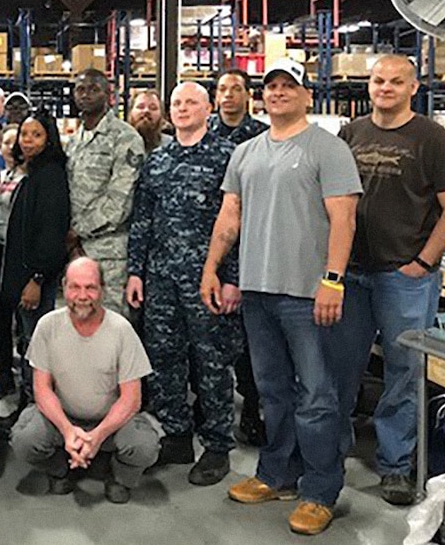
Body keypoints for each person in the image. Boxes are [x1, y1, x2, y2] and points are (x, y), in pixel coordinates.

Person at [201, 59, 362, 535]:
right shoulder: (246, 152)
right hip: (258, 291)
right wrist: (212, 267)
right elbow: (230, 217)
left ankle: (320, 489)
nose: (277, 93)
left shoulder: (327, 149)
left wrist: (332, 279)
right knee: (272, 391)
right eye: (270, 87)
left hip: (307, 294)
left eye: (287, 86)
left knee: (316, 395)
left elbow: (344, 220)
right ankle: (278, 473)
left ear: (307, 95)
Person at [334, 54, 445, 506]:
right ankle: (329, 454)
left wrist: (425, 262)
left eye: (396, 81)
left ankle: (395, 465)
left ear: (413, 87)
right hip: (352, 274)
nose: (385, 88)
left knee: (403, 372)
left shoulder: (432, 139)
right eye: (378, 80)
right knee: (340, 368)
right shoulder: (351, 133)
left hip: (404, 276)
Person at [125, 82, 241, 486]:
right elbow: (143, 219)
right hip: (161, 278)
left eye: (191, 101)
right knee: (164, 357)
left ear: (208, 108)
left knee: (212, 361)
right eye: (176, 103)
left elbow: (239, 224)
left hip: (207, 279)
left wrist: (233, 280)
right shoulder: (157, 160)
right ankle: (175, 433)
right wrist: (135, 272)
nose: (183, 108)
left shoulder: (227, 157)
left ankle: (217, 444)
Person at [10, 258, 160, 504]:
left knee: (145, 446)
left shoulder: (122, 330)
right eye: (75, 287)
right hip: (63, 419)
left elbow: (132, 399)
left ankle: (120, 477)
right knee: (25, 441)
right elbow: (41, 389)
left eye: (90, 287)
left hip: (111, 422)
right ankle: (61, 470)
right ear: (64, 287)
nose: (82, 295)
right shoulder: (47, 326)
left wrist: (98, 436)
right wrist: (68, 430)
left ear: (102, 289)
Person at [206, 68, 269, 448]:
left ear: (248, 95)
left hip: (252, 252)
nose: (229, 95)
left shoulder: (262, 136)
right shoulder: (204, 132)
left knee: (251, 346)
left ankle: (252, 410)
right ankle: (209, 411)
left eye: (236, 89)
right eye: (222, 90)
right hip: (207, 250)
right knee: (211, 342)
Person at [0, 110, 70, 404]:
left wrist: (37, 278)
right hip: (9, 266)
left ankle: (36, 405)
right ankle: (26, 399)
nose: (28, 141)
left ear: (49, 138)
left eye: (36, 135)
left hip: (33, 274)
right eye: (25, 134)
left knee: (35, 343)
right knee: (22, 340)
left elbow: (50, 231)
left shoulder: (50, 174)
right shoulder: (21, 169)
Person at [66, 69, 145, 315]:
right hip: (76, 251)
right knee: (80, 325)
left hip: (110, 252)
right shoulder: (75, 140)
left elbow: (120, 201)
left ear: (109, 95)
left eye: (93, 89)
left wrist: (77, 232)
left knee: (112, 327)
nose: (86, 95)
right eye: (80, 89)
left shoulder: (125, 138)